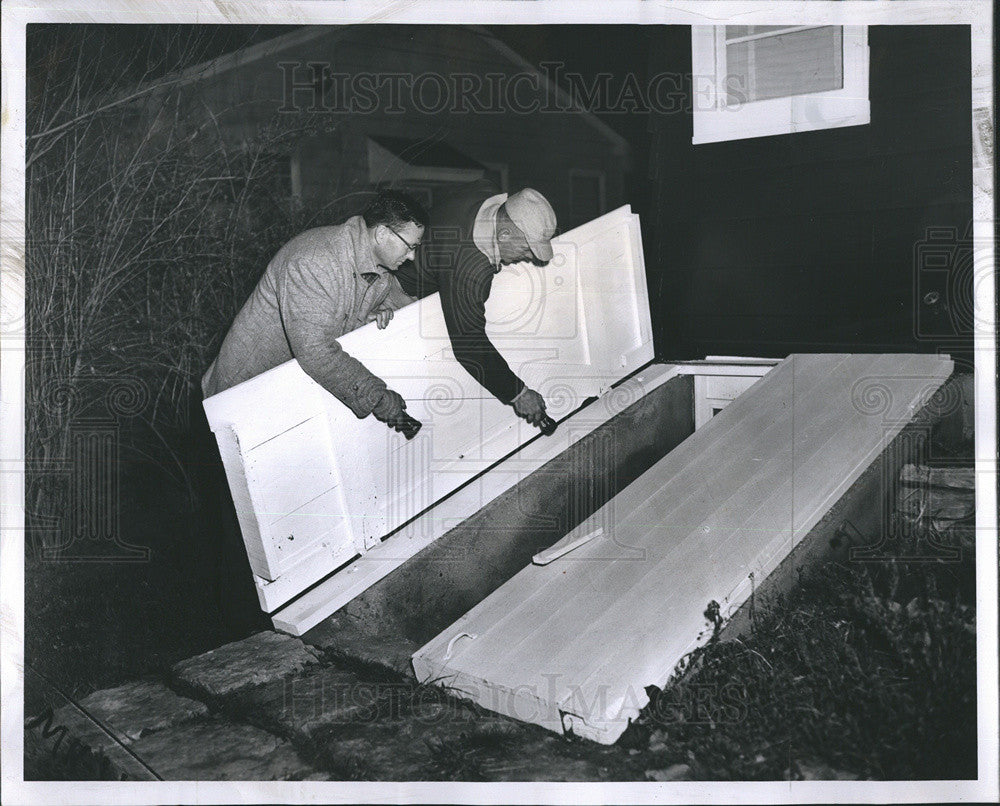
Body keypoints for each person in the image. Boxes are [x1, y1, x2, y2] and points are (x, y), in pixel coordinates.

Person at [201, 190, 428, 432]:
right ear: (382, 234)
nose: (412, 256)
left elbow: (398, 303)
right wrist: (376, 396)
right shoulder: (315, 260)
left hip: (284, 394)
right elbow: (316, 350)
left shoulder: (379, 272)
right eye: (409, 246)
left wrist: (371, 317)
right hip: (238, 398)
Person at [394, 180, 558, 427]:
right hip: (396, 285)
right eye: (526, 249)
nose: (528, 258)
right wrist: (518, 393)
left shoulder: (485, 193)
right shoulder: (471, 269)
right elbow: (468, 346)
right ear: (503, 234)